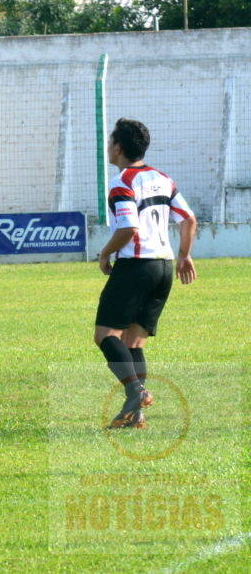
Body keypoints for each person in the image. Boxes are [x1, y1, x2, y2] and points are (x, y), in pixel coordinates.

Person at [95, 118, 196, 430]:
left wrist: (104, 252)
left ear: (119, 147)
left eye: (111, 141)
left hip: (136, 266)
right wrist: (184, 255)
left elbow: (128, 228)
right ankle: (137, 417)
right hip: (164, 267)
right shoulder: (162, 178)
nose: (109, 147)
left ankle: (136, 392)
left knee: (105, 336)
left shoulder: (122, 181)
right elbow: (189, 219)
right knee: (134, 342)